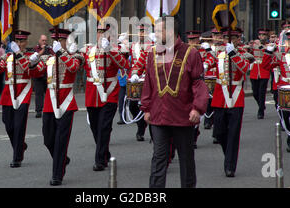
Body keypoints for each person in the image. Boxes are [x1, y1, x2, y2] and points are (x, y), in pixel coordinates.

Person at [140, 16, 209, 188]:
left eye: (158, 30)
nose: (155, 34)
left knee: (186, 158)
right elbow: (148, 82)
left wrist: (197, 108)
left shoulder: (190, 52)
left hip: (183, 115)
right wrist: (146, 107)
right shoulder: (152, 53)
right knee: (158, 158)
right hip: (158, 115)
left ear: (170, 31)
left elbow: (198, 83)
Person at [37, 28, 84, 186]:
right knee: (47, 138)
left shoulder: (75, 56)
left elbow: (73, 68)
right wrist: (32, 60)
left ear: (65, 41)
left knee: (61, 141)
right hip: (50, 102)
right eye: (55, 40)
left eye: (60, 41)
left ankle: (57, 174)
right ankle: (64, 158)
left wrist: (61, 53)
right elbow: (35, 71)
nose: (56, 43)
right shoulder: (48, 58)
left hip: (66, 103)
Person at [0, 30, 43, 168]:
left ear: (26, 42)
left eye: (22, 41)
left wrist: (19, 55)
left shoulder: (29, 56)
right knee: (8, 125)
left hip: (23, 92)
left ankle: (17, 157)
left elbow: (33, 70)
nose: (20, 44)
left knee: (19, 126)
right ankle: (20, 145)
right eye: (18, 41)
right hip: (8, 93)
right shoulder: (8, 56)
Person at [80, 23, 128, 171]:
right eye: (99, 31)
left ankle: (100, 160)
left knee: (104, 127)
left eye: (104, 32)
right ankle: (105, 153)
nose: (101, 34)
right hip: (92, 94)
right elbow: (78, 62)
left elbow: (124, 64)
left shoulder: (117, 49)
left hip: (110, 93)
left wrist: (110, 50)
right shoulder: (88, 49)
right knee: (95, 127)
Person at [203, 27, 250, 177]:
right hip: (220, 97)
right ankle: (228, 154)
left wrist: (233, 54)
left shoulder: (242, 53)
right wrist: (203, 64)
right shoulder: (218, 53)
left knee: (233, 134)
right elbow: (209, 61)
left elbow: (245, 68)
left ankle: (230, 166)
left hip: (236, 98)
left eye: (233, 38)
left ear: (238, 39)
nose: (228, 41)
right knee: (219, 132)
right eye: (225, 38)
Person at [261, 30, 290, 153]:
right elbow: (265, 66)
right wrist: (268, 52)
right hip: (284, 90)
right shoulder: (282, 56)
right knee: (285, 116)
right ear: (287, 42)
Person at [250, 29, 270, 119]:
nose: (263, 37)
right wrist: (250, 46)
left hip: (264, 70)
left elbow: (267, 52)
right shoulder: (254, 44)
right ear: (258, 36)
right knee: (255, 92)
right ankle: (261, 105)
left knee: (262, 91)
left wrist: (260, 45)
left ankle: (260, 111)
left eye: (265, 35)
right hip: (254, 70)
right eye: (261, 35)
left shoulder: (269, 46)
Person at [33, 34, 53, 118]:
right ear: (39, 40)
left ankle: (50, 109)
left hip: (47, 75)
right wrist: (43, 50)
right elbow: (34, 58)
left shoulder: (50, 49)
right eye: (42, 40)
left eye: (45, 40)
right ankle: (38, 111)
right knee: (38, 93)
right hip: (38, 75)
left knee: (49, 93)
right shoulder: (35, 49)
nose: (44, 42)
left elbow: (53, 57)